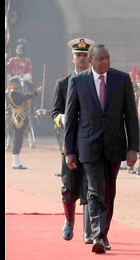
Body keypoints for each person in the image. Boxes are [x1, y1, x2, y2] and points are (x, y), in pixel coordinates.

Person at [64, 43, 139, 254]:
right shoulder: (78, 81)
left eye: (107, 58)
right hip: (88, 146)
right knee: (95, 190)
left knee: (109, 191)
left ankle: (104, 234)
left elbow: (130, 116)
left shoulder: (121, 79)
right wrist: (69, 150)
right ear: (90, 61)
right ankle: (97, 235)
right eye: (100, 59)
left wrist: (133, 148)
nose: (104, 62)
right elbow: (70, 118)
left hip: (115, 146)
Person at [51, 38, 95, 243]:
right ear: (73, 58)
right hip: (69, 144)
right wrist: (64, 119)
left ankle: (88, 230)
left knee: (90, 187)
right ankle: (69, 222)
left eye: (85, 56)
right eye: (78, 56)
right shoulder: (63, 84)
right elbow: (55, 112)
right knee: (69, 187)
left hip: (91, 142)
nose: (81, 59)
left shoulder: (95, 83)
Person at [6, 76, 42, 169]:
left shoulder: (17, 92)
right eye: (16, 83)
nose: (18, 85)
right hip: (18, 119)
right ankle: (16, 163)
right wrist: (36, 92)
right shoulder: (13, 93)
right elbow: (22, 98)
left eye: (18, 83)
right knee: (17, 141)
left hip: (22, 118)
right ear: (12, 84)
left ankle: (17, 163)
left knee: (19, 141)